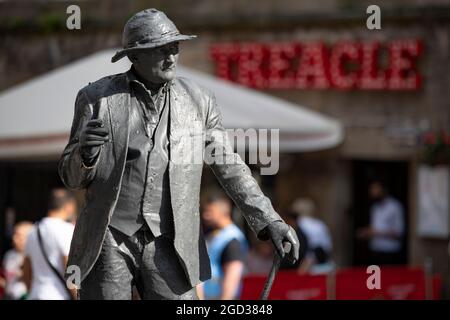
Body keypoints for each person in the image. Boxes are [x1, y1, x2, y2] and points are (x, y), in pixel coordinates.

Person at [58, 8, 299, 300]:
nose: (171, 58)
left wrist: (269, 219)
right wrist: (85, 154)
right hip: (108, 237)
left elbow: (229, 165)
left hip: (170, 242)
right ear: (134, 55)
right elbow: (71, 178)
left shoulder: (198, 100)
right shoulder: (97, 98)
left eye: (175, 48)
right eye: (161, 51)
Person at [22, 189, 76, 300]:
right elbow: (71, 266)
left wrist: (32, 291)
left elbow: (26, 272)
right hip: (58, 296)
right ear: (69, 206)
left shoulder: (33, 231)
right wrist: (77, 295)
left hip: (35, 295)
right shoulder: (68, 230)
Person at [200, 195, 248, 300]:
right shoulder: (214, 235)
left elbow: (233, 275)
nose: (205, 215)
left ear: (224, 212)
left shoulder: (233, 239)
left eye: (210, 212)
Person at [357, 180, 405, 265]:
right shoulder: (375, 207)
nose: (373, 192)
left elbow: (399, 232)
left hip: (390, 251)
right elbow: (376, 226)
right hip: (375, 250)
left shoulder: (395, 206)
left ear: (383, 190)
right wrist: (366, 232)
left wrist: (376, 233)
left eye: (376, 189)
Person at [293, 198, 335, 274]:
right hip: (323, 264)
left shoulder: (300, 223)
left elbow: (310, 251)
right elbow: (328, 247)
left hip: (308, 265)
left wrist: (302, 270)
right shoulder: (320, 224)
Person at [2, 221, 33, 300]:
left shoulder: (34, 257)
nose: (14, 238)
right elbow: (7, 280)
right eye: (14, 234)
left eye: (19, 236)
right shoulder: (9, 255)